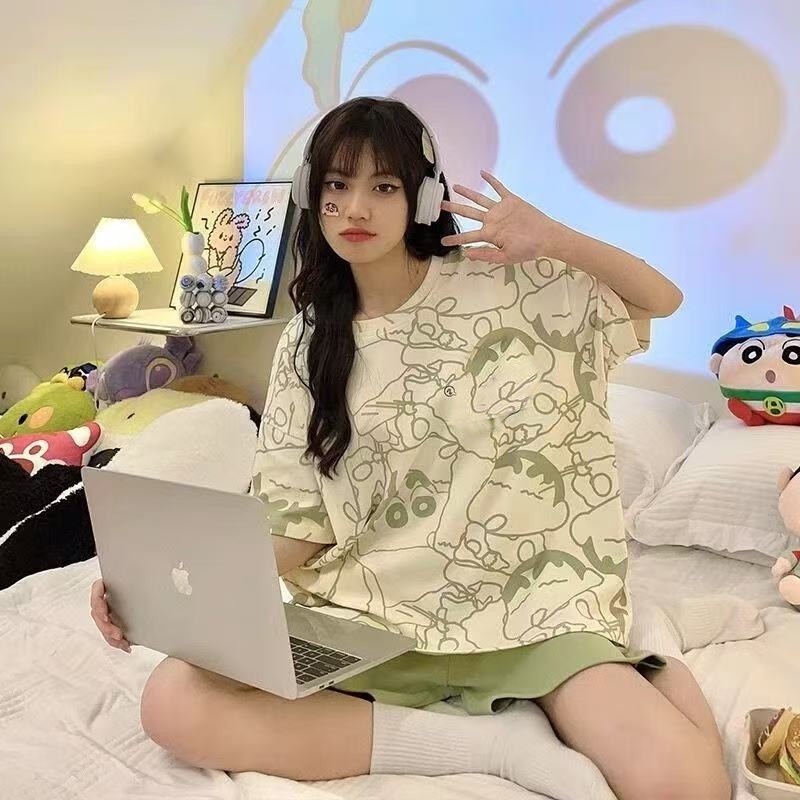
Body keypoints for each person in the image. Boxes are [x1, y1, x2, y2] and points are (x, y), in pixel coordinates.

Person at [90, 97, 730, 800]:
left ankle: (640, 668)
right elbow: (301, 522)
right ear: (311, 195)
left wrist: (553, 238)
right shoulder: (309, 340)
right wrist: (167, 590)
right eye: (336, 185)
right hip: (370, 619)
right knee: (172, 701)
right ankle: (492, 748)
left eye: (384, 186)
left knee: (686, 788)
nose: (355, 207)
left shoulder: (516, 287)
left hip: (533, 615)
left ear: (421, 198)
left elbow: (660, 299)